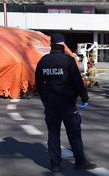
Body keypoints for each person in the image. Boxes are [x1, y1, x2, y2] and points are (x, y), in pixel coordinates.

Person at [35, 33, 96, 172]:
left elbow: (38, 83)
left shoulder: (43, 61)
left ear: (51, 45)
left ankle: (55, 164)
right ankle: (80, 162)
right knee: (74, 133)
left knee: (53, 134)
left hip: (51, 104)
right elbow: (77, 81)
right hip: (67, 103)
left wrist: (44, 99)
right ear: (62, 44)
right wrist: (84, 97)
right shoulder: (68, 60)